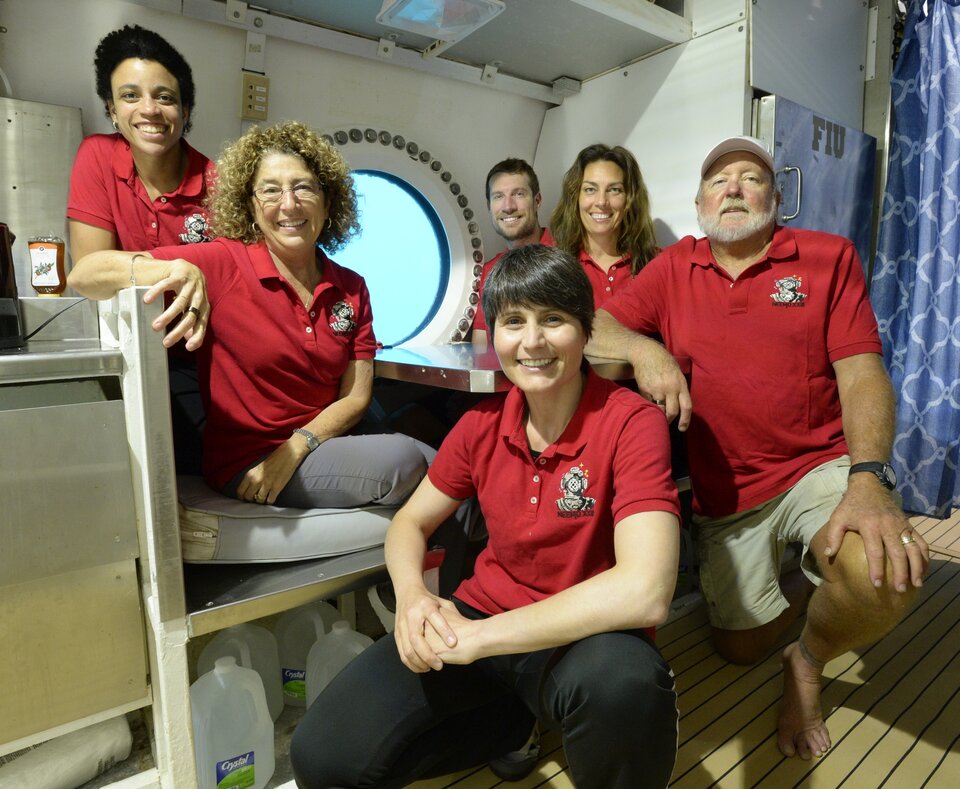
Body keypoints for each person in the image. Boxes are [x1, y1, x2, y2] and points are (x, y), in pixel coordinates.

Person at [588, 135, 930, 760]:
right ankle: (809, 583)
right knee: (738, 649)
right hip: (730, 495)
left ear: (776, 197)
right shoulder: (672, 268)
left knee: (887, 574)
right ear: (699, 201)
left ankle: (808, 659)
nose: (735, 189)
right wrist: (646, 349)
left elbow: (860, 372)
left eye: (751, 177)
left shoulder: (828, 258)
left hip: (818, 468)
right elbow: (596, 324)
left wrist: (870, 479)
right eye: (719, 181)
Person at [290, 245, 681, 789]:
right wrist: (412, 597)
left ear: (586, 330)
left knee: (625, 688)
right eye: (514, 322)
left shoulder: (630, 423)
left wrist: (483, 638)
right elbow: (409, 523)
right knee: (322, 755)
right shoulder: (481, 425)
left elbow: (646, 591)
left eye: (554, 320)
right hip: (482, 616)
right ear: (494, 336)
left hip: (586, 637)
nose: (533, 341)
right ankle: (510, 724)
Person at [67, 121, 428, 510]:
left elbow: (356, 397)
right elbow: (85, 274)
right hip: (253, 462)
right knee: (402, 460)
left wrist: (297, 447)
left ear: (328, 199)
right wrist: (175, 270)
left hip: (313, 446)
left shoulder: (351, 286)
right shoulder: (224, 263)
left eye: (304, 186)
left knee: (457, 467)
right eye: (270, 191)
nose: (288, 204)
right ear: (251, 207)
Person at [67, 24, 213, 261]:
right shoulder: (97, 154)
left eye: (164, 97)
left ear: (184, 111)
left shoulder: (218, 183)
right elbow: (89, 273)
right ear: (112, 110)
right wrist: (173, 268)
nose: (149, 109)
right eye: (130, 95)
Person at [550, 143, 659, 308]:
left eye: (614, 189)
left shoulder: (656, 264)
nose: (601, 202)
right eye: (590, 189)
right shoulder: (553, 268)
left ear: (630, 199)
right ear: (575, 198)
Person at [471, 158, 554, 343]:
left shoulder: (568, 258)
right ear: (489, 206)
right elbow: (481, 351)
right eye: (498, 196)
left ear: (537, 200)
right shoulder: (487, 273)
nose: (508, 206)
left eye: (518, 194)